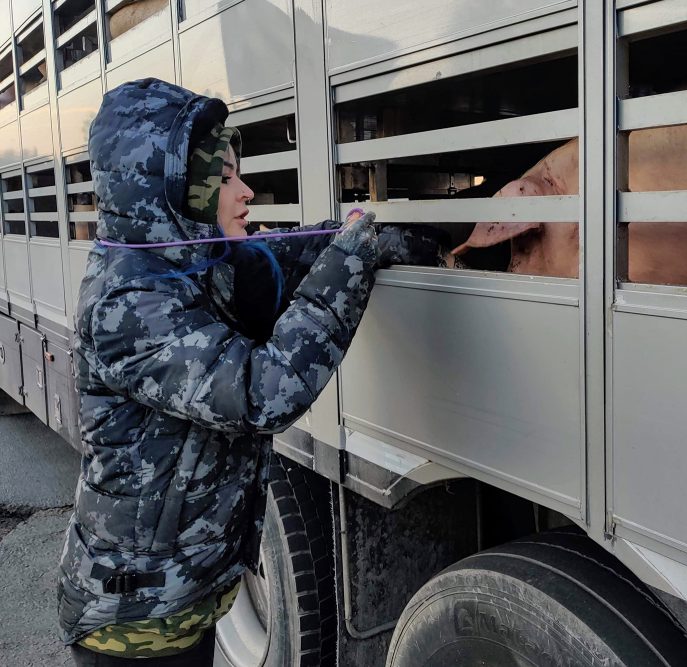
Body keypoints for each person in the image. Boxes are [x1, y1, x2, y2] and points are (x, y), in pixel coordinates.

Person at [56, 78, 445, 665]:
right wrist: (353, 259)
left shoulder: (188, 262)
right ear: (173, 191)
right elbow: (261, 391)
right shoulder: (128, 303)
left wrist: (393, 236)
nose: (247, 192)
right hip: (134, 627)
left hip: (180, 605)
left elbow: (278, 256)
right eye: (226, 178)